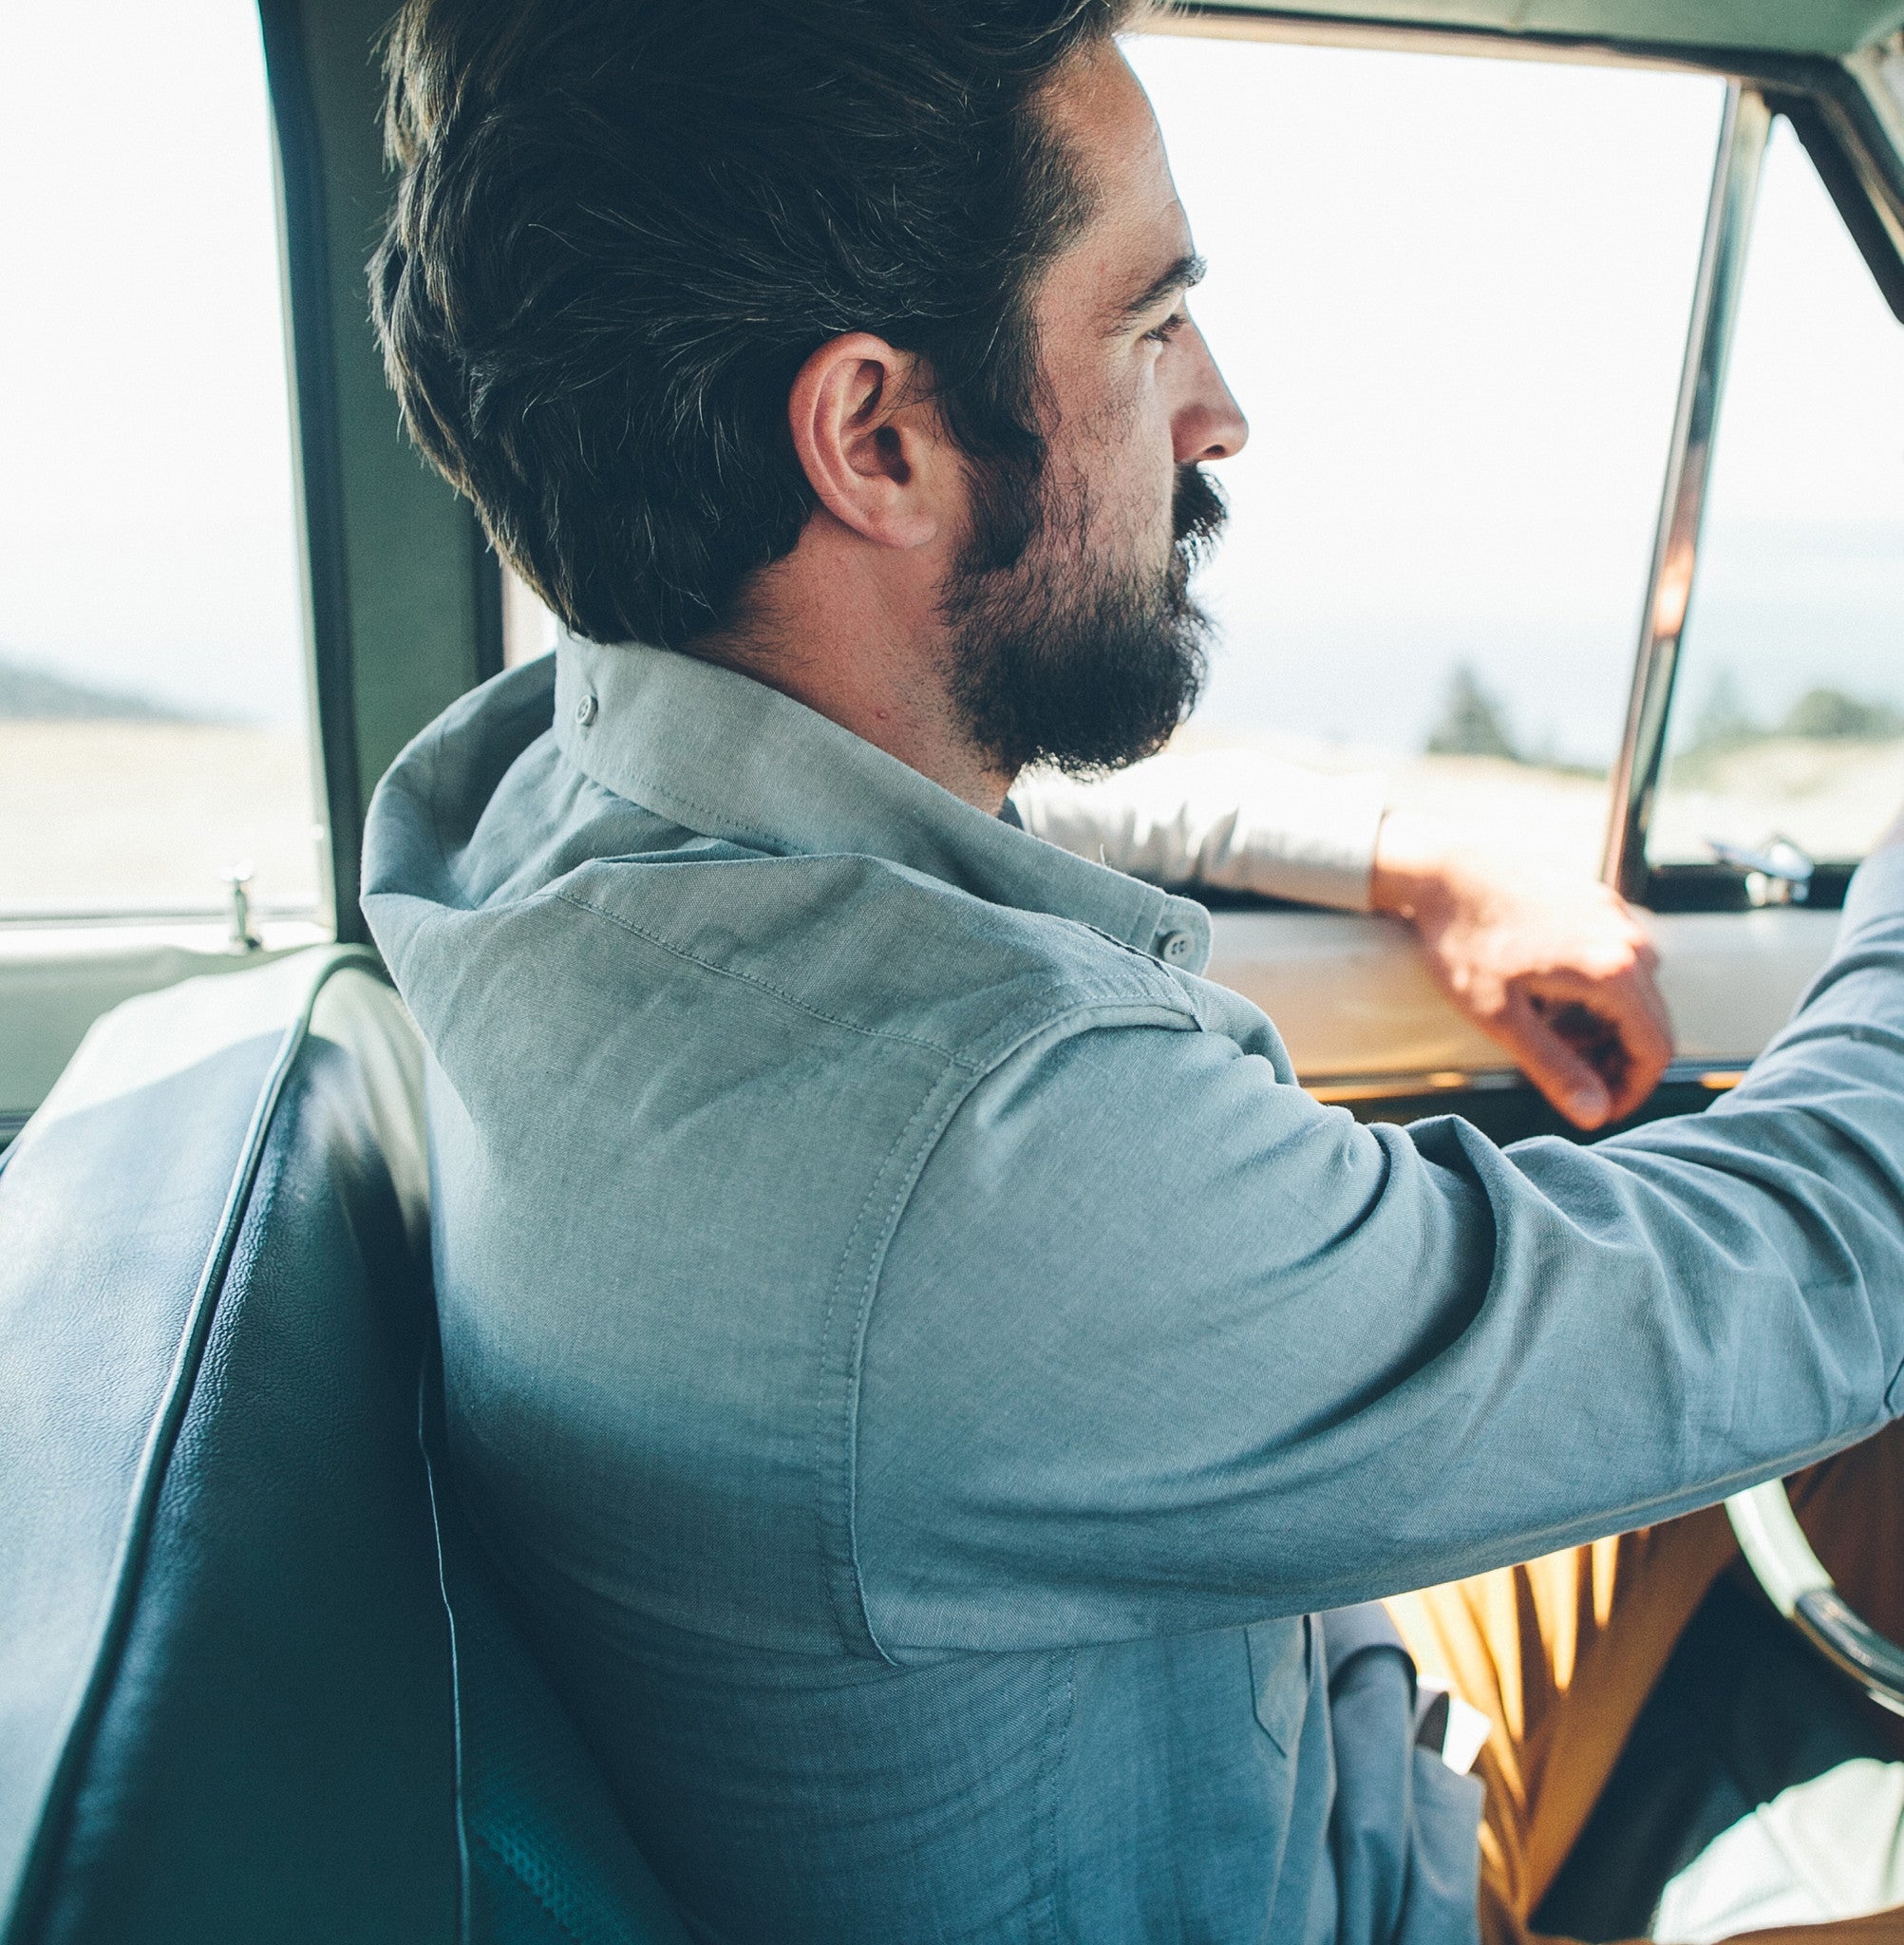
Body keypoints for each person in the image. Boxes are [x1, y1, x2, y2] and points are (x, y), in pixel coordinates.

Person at [360, 3, 1904, 1939]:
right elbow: (1823, 1264)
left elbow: (969, 814)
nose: (1217, 408)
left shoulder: (553, 793)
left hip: (1326, 1704)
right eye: (1150, 318)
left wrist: (1392, 851)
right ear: (876, 434)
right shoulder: (969, 1152)